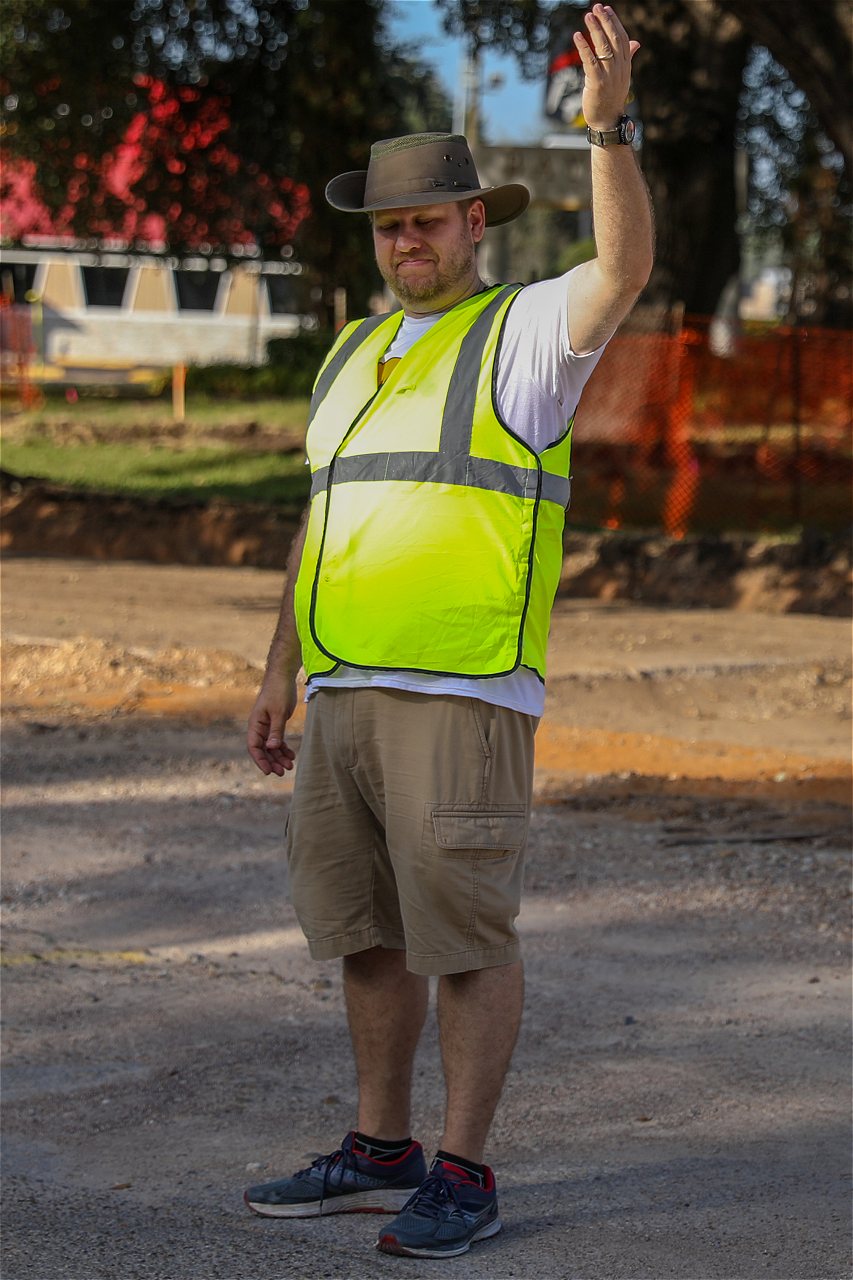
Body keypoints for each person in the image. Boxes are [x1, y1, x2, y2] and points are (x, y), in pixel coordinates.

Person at [244, 3, 653, 1261]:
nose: (405, 238)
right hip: (344, 692)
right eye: (387, 223)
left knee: (463, 935)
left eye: (426, 218)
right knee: (364, 932)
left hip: (462, 693)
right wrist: (278, 669)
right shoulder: (352, 353)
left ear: (477, 221)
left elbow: (623, 267)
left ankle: (465, 1171)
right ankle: (380, 1148)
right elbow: (326, 514)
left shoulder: (524, 334)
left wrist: (611, 131)